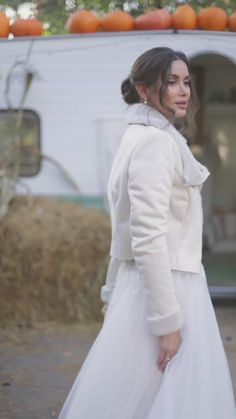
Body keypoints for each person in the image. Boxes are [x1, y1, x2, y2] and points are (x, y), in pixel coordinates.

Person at [57, 47, 236, 419]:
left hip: (150, 285)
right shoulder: (155, 142)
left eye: (186, 81)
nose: (183, 90)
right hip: (167, 289)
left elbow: (121, 230)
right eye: (170, 82)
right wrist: (167, 322)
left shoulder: (142, 135)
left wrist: (112, 289)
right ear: (143, 89)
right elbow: (146, 233)